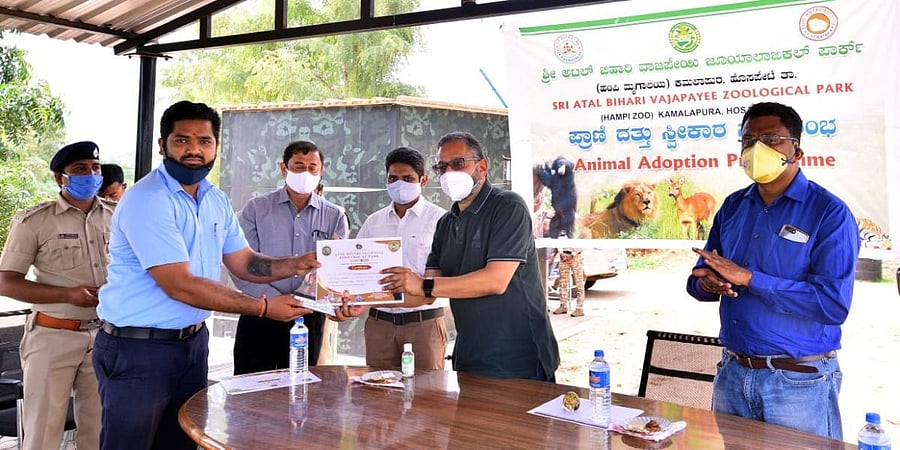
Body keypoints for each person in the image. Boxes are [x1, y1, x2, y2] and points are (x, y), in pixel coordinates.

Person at [92, 101, 359, 449]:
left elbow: (244, 261)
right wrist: (263, 308)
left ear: (216, 146)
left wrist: (297, 263)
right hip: (139, 348)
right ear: (162, 145)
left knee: (182, 441)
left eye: (204, 141)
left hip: (191, 345)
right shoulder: (149, 199)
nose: (194, 150)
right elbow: (180, 285)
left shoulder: (213, 199)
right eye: (182, 140)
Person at [685, 102, 859, 440]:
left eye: (770, 139)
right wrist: (711, 285)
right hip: (733, 375)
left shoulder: (829, 213)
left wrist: (751, 279)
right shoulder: (733, 206)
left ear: (797, 150)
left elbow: (832, 305)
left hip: (797, 380)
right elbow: (699, 280)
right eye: (748, 140)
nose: (756, 149)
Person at [381, 131, 560, 380]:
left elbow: (495, 281)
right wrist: (364, 299)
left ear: (482, 167)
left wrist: (422, 284)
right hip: (470, 357)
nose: (449, 173)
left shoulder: (508, 207)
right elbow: (426, 292)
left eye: (458, 163)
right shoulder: (446, 223)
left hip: (519, 359)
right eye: (442, 167)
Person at [0, 141, 113, 450]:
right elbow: (6, 282)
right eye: (79, 169)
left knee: (100, 432)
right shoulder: (35, 221)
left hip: (105, 337)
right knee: (43, 433)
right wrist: (67, 294)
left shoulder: (117, 216)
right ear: (59, 178)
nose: (90, 175)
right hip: (53, 336)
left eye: (95, 168)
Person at [230, 140, 348, 375]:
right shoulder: (256, 209)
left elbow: (337, 270)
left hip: (307, 316)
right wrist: (271, 302)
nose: (306, 172)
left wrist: (310, 300)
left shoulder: (335, 216)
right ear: (283, 169)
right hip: (259, 311)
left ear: (321, 170)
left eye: (312, 167)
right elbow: (240, 266)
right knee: (251, 394)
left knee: (300, 390)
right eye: (298, 166)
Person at [356, 147, 448, 369]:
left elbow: (444, 279)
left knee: (426, 397)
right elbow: (357, 270)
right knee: (378, 394)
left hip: (424, 325)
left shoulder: (440, 220)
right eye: (393, 178)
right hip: (380, 325)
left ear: (423, 180)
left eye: (408, 179)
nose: (399, 185)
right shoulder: (373, 222)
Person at [550, 243, 585, 317]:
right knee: (563, 282)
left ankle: (579, 308)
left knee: (579, 283)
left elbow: (582, 240)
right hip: (563, 257)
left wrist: (573, 254)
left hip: (575, 257)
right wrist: (561, 253)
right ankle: (563, 305)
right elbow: (558, 240)